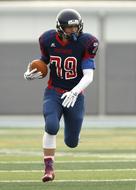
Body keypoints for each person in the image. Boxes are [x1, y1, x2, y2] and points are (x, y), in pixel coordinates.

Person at [24, 8, 99, 182]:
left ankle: (74, 134)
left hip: (75, 95)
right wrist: (31, 71)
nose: (74, 31)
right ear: (60, 28)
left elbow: (89, 75)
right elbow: (44, 60)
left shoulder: (87, 42)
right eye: (69, 28)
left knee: (71, 142)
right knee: (51, 126)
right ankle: (49, 169)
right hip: (54, 91)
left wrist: (75, 91)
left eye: (76, 27)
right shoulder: (47, 39)